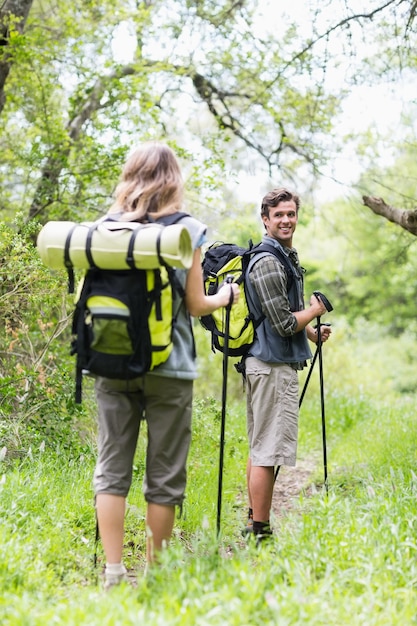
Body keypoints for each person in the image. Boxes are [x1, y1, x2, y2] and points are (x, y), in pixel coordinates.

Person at [93, 141, 239, 590]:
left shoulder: (104, 228)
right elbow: (196, 304)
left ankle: (113, 572)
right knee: (164, 474)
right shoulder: (189, 230)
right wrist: (226, 297)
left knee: (111, 467)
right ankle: (155, 574)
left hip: (112, 362)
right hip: (170, 366)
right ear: (173, 178)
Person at [242, 187, 331, 544]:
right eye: (278, 215)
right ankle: (260, 530)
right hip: (270, 366)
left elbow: (279, 312)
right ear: (265, 219)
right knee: (267, 450)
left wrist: (309, 331)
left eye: (290, 214)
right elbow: (281, 324)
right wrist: (315, 309)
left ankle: (254, 521)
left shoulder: (284, 255)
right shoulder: (267, 260)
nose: (286, 220)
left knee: (260, 445)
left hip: (270, 362)